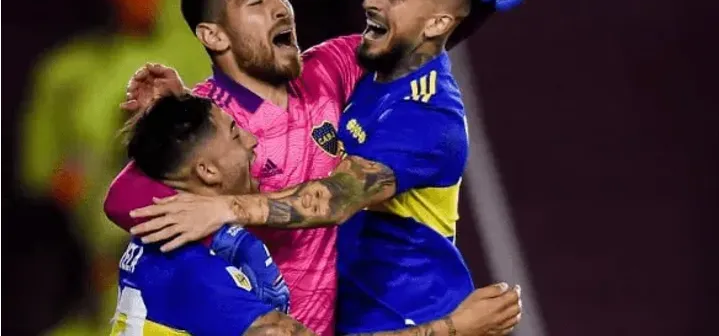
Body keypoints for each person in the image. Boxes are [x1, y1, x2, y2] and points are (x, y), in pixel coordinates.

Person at [105, 0, 532, 335]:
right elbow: (122, 199)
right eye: (257, 0)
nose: (280, 9)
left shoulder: (329, 68)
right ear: (213, 34)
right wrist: (172, 131)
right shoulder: (211, 124)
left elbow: (408, 44)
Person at [111, 93, 522, 335]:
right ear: (206, 171)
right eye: (235, 134)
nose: (252, 141)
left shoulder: (171, 229)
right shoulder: (196, 270)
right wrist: (455, 327)